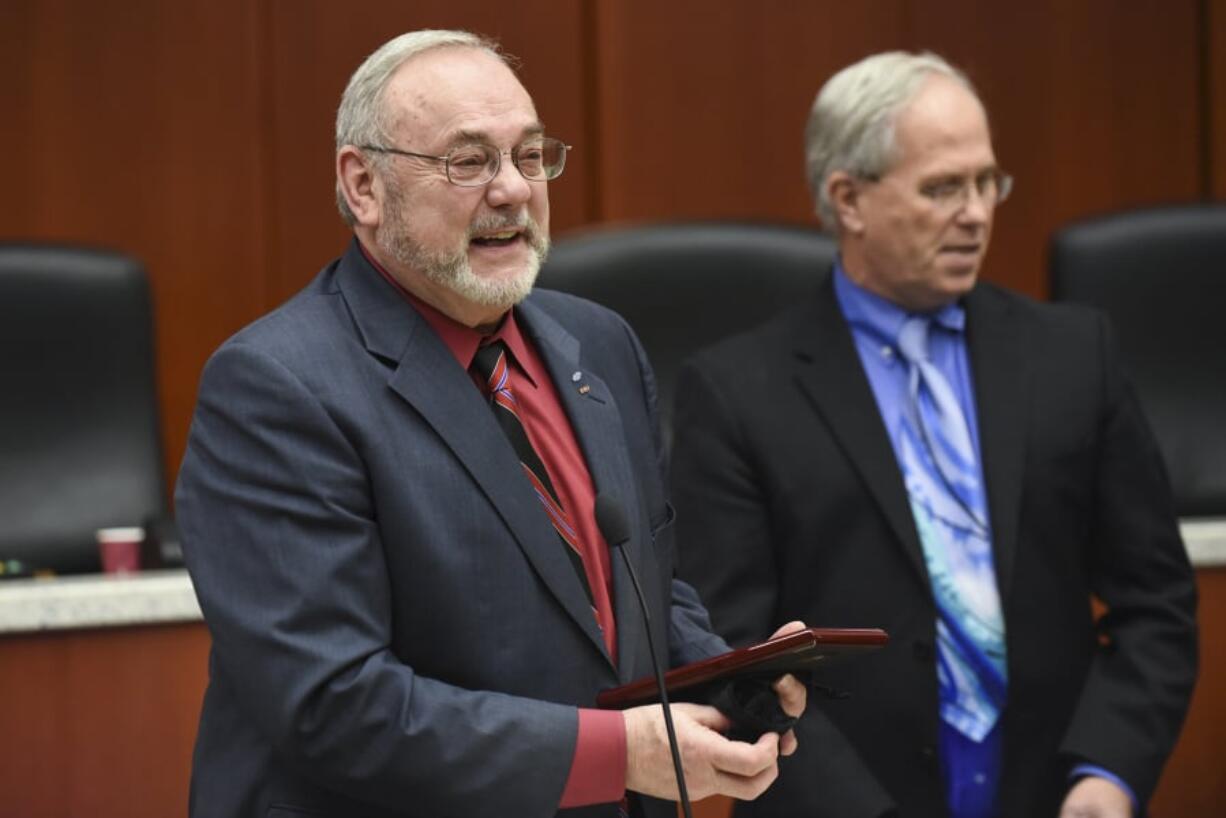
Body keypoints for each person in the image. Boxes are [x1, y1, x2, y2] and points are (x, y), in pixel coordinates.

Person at [176, 29, 805, 818]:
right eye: (468, 161)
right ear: (363, 185)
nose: (512, 189)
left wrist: (729, 680)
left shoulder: (601, 345)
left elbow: (641, 588)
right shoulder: (278, 387)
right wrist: (618, 755)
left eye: (531, 155)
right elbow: (332, 703)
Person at [671, 51, 1197, 818]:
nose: (978, 212)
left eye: (988, 182)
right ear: (849, 199)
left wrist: (1108, 775)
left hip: (1055, 795)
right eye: (944, 188)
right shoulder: (736, 392)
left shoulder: (1075, 357)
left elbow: (1156, 604)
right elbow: (732, 651)